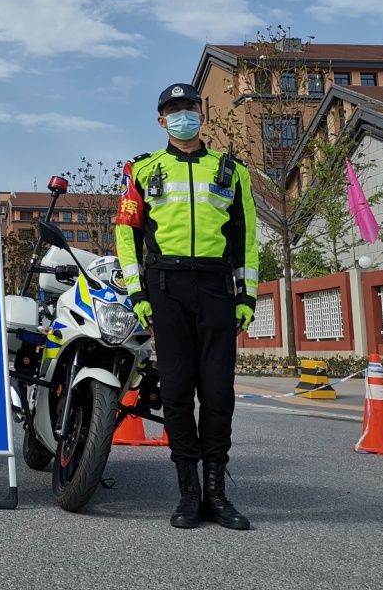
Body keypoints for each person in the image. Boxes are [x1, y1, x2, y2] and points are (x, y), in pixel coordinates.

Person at [115, 82, 257, 530]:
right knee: (176, 392)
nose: (182, 116)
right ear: (161, 120)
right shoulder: (141, 170)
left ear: (202, 114)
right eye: (173, 110)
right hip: (165, 284)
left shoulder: (232, 170)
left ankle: (217, 492)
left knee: (217, 391)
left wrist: (246, 295)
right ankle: (188, 494)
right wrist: (138, 293)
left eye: (189, 108)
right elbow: (127, 235)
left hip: (216, 285)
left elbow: (246, 237)